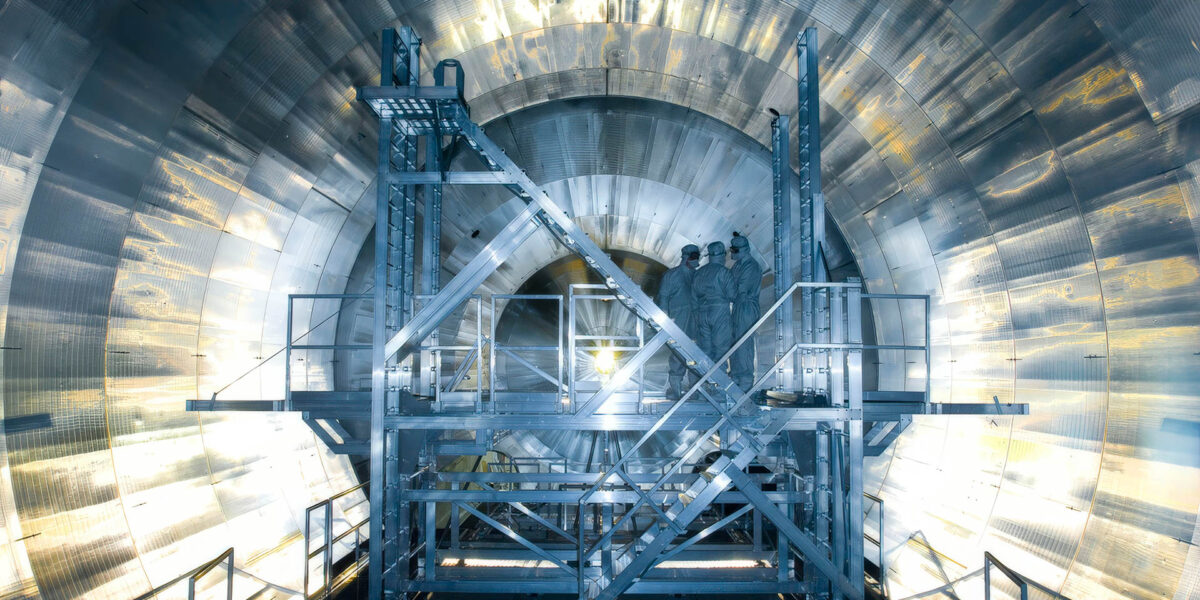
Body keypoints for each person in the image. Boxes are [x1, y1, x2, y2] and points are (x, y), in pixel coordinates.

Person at [657, 244, 700, 400]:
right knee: (678, 353)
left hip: (696, 318)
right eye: (694, 258)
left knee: (696, 353)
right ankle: (676, 389)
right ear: (686, 257)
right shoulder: (672, 275)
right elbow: (663, 297)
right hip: (678, 319)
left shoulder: (698, 275)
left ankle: (695, 390)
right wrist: (665, 320)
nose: (696, 261)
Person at [692, 241, 734, 374]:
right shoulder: (724, 272)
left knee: (705, 349)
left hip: (702, 312)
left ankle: (704, 379)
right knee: (720, 348)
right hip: (719, 312)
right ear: (722, 255)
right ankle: (719, 381)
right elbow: (732, 295)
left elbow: (693, 296)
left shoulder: (699, 273)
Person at [728, 234, 763, 390]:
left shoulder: (751, 266)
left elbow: (739, 290)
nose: (732, 253)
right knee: (735, 343)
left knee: (744, 344)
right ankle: (736, 376)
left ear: (745, 250)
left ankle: (745, 380)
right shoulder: (738, 266)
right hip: (738, 307)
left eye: (735, 250)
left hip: (747, 307)